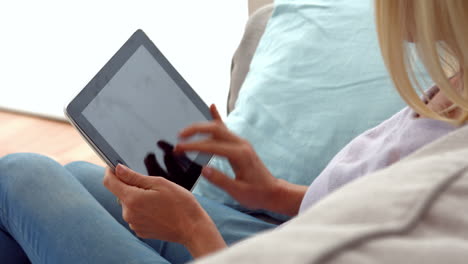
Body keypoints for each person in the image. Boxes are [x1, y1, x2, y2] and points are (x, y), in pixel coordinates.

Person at [0, 0, 467, 263]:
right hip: (293, 233)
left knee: (20, 175)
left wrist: (194, 228)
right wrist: (274, 192)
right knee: (81, 178)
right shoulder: (455, 84)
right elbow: (369, 206)